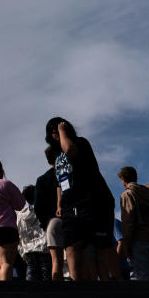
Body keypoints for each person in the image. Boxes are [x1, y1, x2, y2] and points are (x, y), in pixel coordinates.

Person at [46, 118, 117, 282]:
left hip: (92, 200)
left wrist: (63, 132)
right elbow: (59, 181)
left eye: (56, 132)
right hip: (70, 204)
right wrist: (59, 204)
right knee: (71, 245)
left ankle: (118, 279)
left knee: (102, 243)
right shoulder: (58, 155)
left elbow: (70, 150)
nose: (54, 136)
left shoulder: (80, 143)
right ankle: (76, 285)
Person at [116, 166, 149, 281]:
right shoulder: (148, 195)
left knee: (143, 276)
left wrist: (127, 243)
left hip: (138, 239)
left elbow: (128, 220)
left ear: (123, 179)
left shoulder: (127, 194)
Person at [36, 150, 64, 281]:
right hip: (69, 218)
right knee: (74, 258)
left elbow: (38, 206)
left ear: (48, 161)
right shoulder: (67, 175)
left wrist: (45, 223)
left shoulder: (42, 180)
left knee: (56, 261)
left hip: (51, 222)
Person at [17, 185, 50, 282]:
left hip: (29, 251)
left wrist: (23, 252)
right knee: (47, 279)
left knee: (31, 281)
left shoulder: (20, 215)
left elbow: (20, 235)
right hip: (45, 249)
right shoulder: (45, 211)